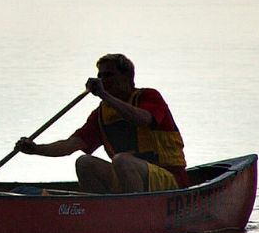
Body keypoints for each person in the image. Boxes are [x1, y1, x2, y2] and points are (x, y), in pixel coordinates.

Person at [15, 54, 187, 193]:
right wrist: (36, 149)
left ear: (127, 76)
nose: (103, 80)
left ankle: (134, 214)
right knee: (84, 162)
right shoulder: (101, 114)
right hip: (130, 181)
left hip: (168, 180)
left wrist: (105, 96)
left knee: (122, 160)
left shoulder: (148, 96)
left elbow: (142, 119)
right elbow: (70, 145)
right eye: (100, 76)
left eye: (109, 75)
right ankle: (101, 212)